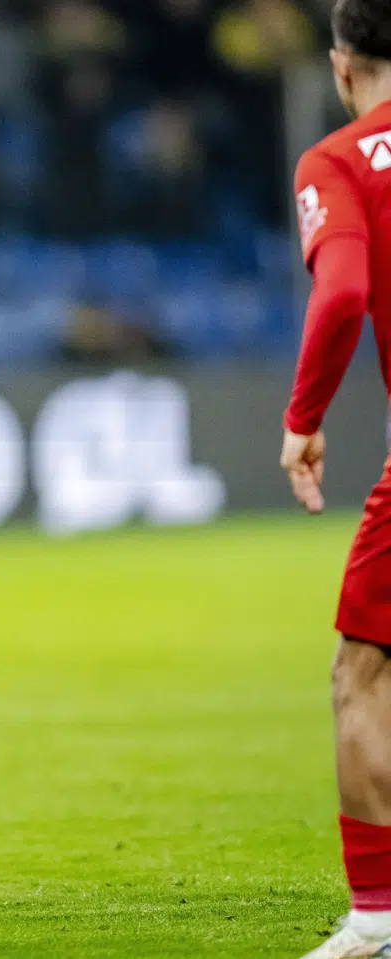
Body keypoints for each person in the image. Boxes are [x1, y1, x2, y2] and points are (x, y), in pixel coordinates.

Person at [280, 2, 391, 956]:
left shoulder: (340, 161)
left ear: (341, 64)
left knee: (363, 672)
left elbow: (345, 290)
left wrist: (304, 417)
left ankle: (376, 920)